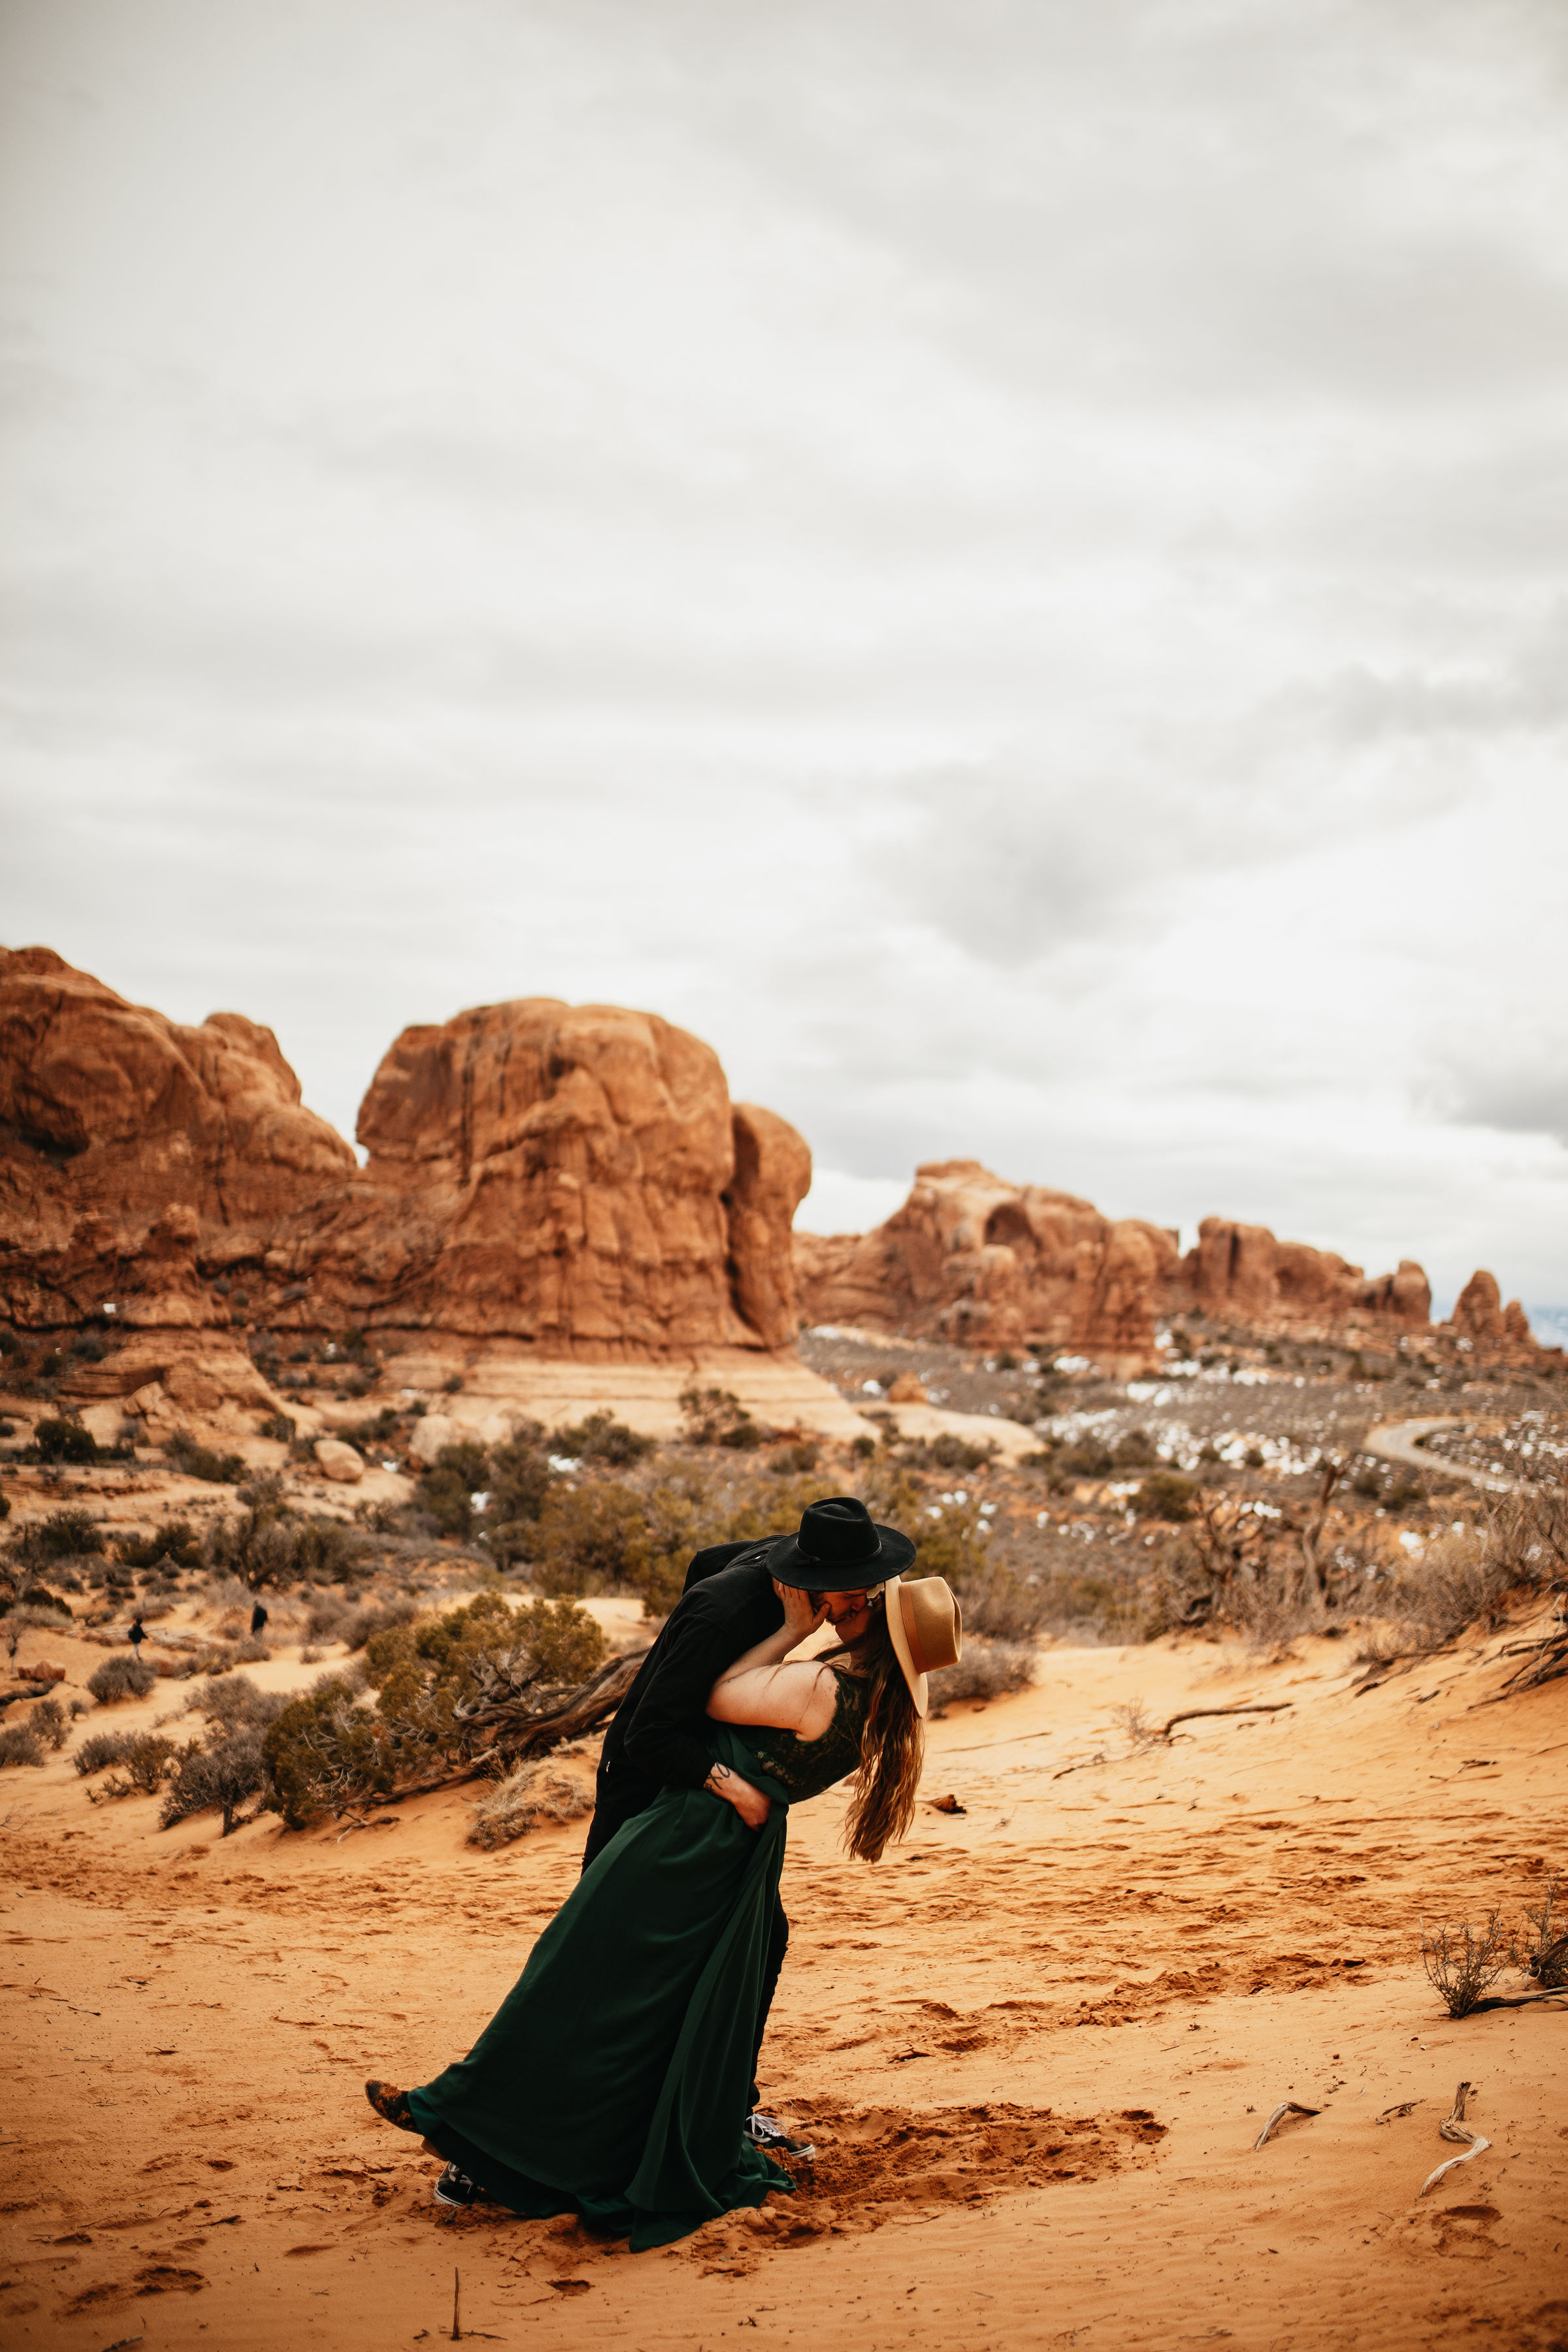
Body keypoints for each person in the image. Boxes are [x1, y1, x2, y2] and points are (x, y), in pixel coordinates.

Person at [364, 1513, 960, 2252]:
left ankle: (463, 2122)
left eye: (864, 1602)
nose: (849, 1604)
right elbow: (712, 1574)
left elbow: (715, 1695)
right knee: (661, 1998)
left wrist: (785, 1633)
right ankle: (576, 2131)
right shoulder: (888, 1713)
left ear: (872, 1624)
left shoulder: (819, 1688)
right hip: (737, 1847)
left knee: (577, 1974)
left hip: (689, 1835)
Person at [580, 1497, 904, 2146]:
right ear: (818, 1583)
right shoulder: (726, 1611)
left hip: (697, 1804)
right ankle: (511, 2128)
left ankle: (721, 2104)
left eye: (869, 1594)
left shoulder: (780, 1570)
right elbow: (650, 1738)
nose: (864, 1609)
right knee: (601, 1956)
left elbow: (706, 1561)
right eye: (858, 1599)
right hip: (647, 1791)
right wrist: (736, 1788)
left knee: (760, 1940)